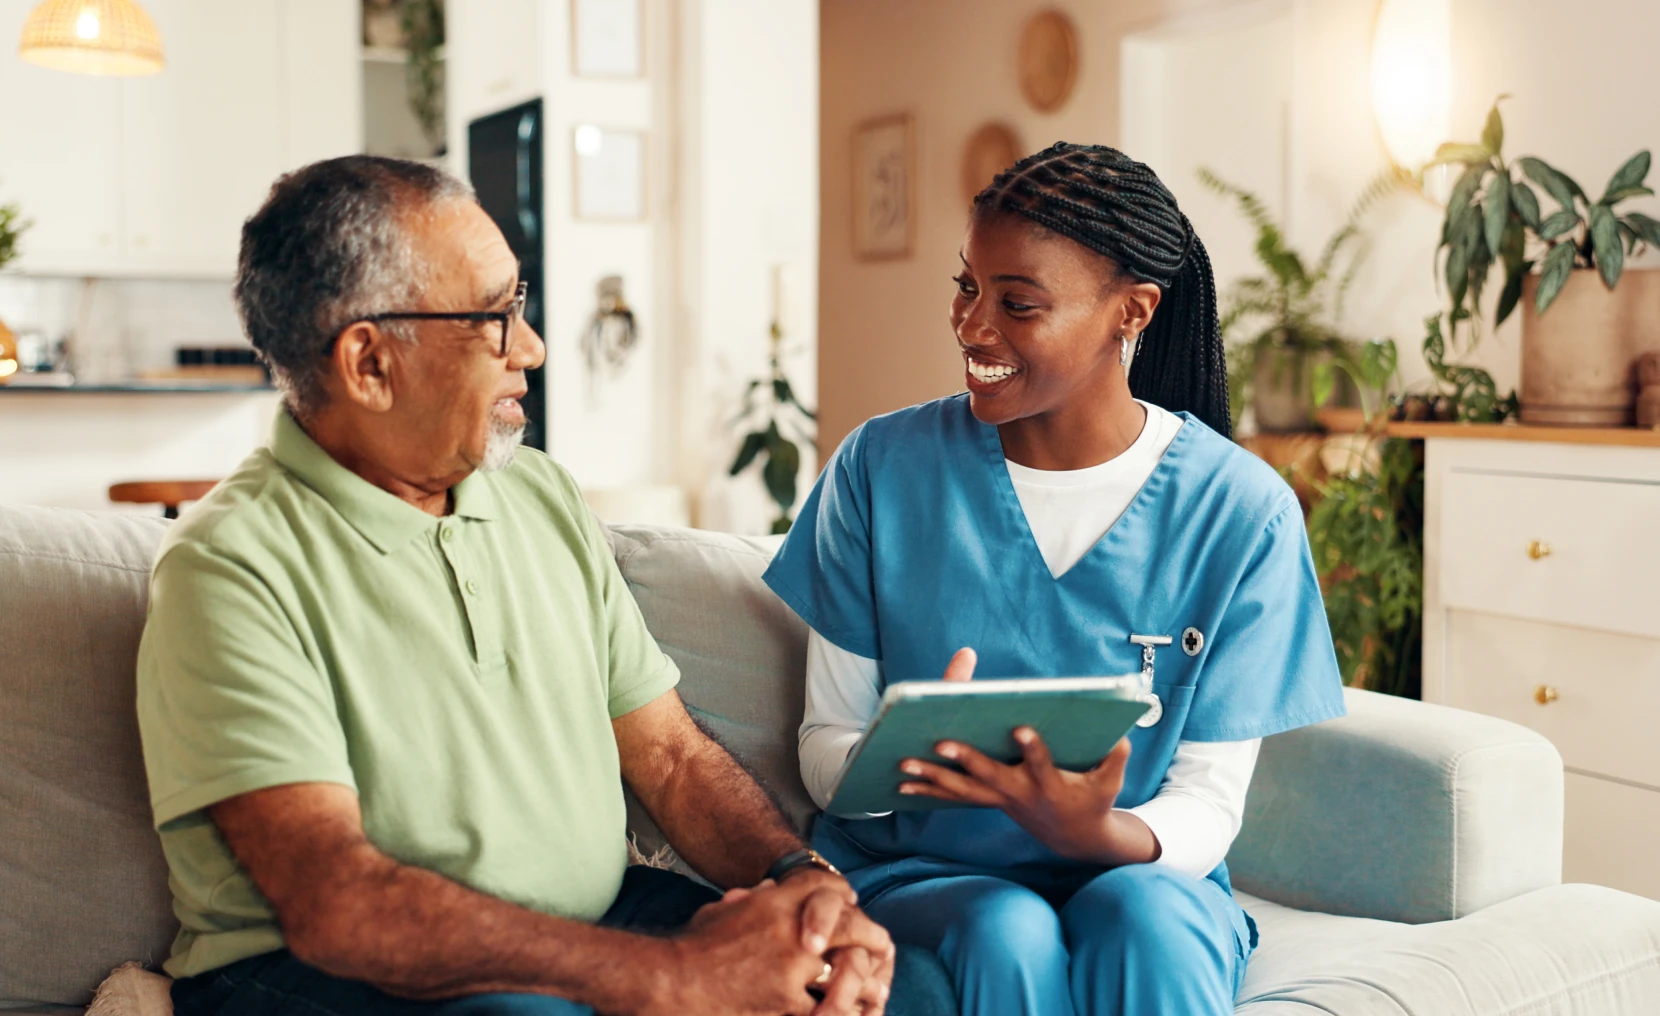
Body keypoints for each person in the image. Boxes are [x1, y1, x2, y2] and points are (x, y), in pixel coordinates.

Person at [135, 155, 956, 1016]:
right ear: (369, 364)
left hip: (594, 921)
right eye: (492, 319)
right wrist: (677, 981)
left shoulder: (539, 495)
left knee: (909, 988)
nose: (529, 347)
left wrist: (804, 884)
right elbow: (342, 906)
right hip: (322, 972)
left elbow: (671, 759)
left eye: (517, 305)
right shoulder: (229, 571)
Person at [762, 142, 1347, 1016]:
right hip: (926, 874)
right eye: (967, 287)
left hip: (1143, 872)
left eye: (1018, 304)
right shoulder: (880, 471)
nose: (972, 326)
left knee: (1145, 921)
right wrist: (898, 756)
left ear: (1133, 312)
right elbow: (823, 751)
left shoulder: (1241, 511)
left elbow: (1209, 804)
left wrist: (1098, 832)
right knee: (1008, 927)